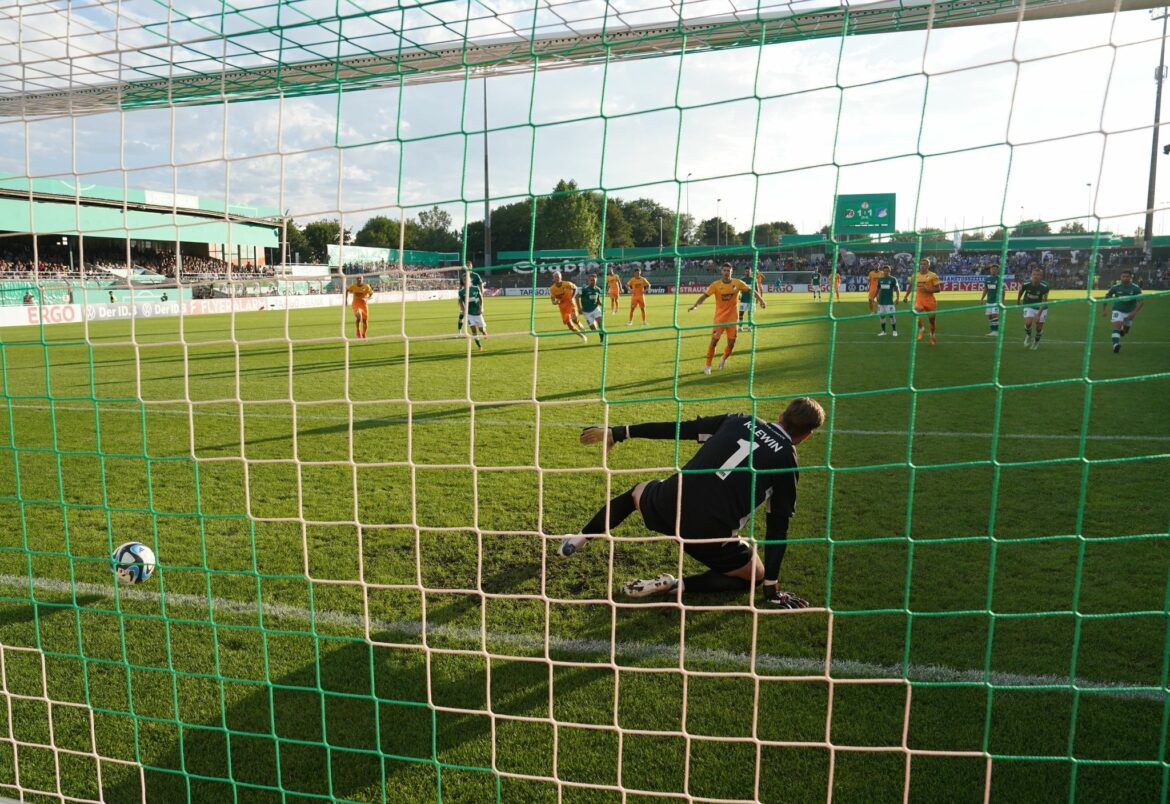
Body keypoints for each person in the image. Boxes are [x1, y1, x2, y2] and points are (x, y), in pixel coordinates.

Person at [558, 397, 825, 608]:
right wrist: (771, 587)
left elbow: (680, 429)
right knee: (754, 575)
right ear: (806, 436)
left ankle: (579, 539)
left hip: (666, 506)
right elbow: (778, 527)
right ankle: (677, 585)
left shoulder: (740, 420)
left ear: (781, 414)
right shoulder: (787, 462)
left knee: (635, 493)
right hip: (707, 536)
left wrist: (620, 432)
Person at [689, 263, 766, 374]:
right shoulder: (715, 285)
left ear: (731, 272)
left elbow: (752, 291)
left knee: (731, 344)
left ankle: (723, 358)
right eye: (724, 270)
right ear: (721, 271)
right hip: (719, 320)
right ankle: (708, 366)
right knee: (714, 341)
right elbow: (704, 296)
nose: (726, 272)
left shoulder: (738, 283)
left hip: (732, 320)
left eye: (728, 270)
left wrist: (762, 301)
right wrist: (695, 305)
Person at [1103, 269, 1143, 354]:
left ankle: (1122, 328)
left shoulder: (1136, 288)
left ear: (1131, 278)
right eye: (1123, 276)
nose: (1125, 278)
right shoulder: (1115, 287)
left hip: (1130, 311)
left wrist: (1134, 312)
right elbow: (1107, 297)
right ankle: (1115, 345)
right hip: (1118, 309)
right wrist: (1104, 309)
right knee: (1116, 326)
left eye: (1127, 277)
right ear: (1120, 277)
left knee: (1125, 331)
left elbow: (1141, 302)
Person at [904, 258, 939, 345]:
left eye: (925, 264)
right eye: (921, 264)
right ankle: (921, 329)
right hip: (919, 299)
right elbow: (911, 286)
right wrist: (906, 296)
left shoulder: (933, 275)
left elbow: (938, 289)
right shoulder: (914, 275)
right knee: (915, 312)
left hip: (930, 301)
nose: (923, 266)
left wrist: (928, 289)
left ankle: (932, 336)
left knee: (932, 321)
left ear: (928, 265)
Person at [1016, 265, 1049, 351]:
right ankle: (1028, 336)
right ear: (1031, 275)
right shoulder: (1026, 284)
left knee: (1038, 328)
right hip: (1028, 304)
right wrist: (1018, 300)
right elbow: (1021, 291)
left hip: (1041, 307)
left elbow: (1044, 301)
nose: (1036, 276)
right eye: (1034, 274)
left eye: (1038, 275)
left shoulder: (1045, 286)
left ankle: (1036, 342)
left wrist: (1038, 315)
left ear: (1041, 276)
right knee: (1028, 323)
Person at [549, 271, 588, 343]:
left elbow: (575, 288)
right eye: (555, 277)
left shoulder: (567, 284)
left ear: (561, 277)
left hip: (571, 304)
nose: (557, 278)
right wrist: (555, 302)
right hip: (563, 308)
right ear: (553, 278)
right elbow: (553, 301)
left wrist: (572, 297)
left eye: (558, 276)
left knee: (574, 319)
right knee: (570, 326)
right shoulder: (552, 289)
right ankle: (582, 336)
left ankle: (579, 324)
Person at [459, 270, 488, 352]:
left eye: (467, 279)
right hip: (469, 314)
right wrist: (464, 311)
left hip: (477, 312)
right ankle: (479, 346)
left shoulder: (475, 288)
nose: (465, 281)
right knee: (473, 330)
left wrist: (482, 307)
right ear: (463, 281)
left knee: (481, 329)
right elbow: (460, 302)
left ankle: (484, 332)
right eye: (464, 280)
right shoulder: (461, 292)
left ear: (470, 280)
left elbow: (481, 298)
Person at [456, 261, 484, 334]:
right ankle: (459, 331)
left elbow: (480, 284)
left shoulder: (476, 275)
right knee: (462, 315)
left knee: (477, 315)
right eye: (467, 266)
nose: (468, 267)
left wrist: (481, 293)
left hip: (474, 300)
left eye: (469, 265)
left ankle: (481, 330)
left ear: (472, 266)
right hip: (466, 299)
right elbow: (461, 286)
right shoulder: (463, 276)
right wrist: (459, 299)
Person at [578, 272, 605, 342]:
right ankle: (596, 328)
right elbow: (576, 297)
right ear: (589, 280)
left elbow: (598, 300)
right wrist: (579, 308)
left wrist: (601, 305)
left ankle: (602, 339)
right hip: (586, 311)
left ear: (596, 280)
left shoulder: (598, 289)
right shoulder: (584, 289)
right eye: (591, 280)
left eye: (594, 280)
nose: (593, 281)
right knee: (593, 328)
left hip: (595, 309)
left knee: (600, 322)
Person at [345, 274, 374, 339]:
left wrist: (367, 298)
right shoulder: (353, 286)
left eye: (360, 278)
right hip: (356, 304)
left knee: (365, 321)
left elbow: (371, 294)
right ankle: (358, 330)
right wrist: (345, 300)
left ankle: (364, 334)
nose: (359, 279)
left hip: (364, 305)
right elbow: (347, 290)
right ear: (356, 279)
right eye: (358, 278)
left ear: (362, 279)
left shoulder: (367, 286)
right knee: (359, 317)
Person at [874, 265, 900, 337]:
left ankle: (894, 331)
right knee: (882, 316)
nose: (886, 272)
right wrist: (873, 297)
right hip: (881, 302)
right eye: (885, 271)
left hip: (889, 302)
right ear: (883, 271)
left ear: (889, 271)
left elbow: (897, 289)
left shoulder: (893, 279)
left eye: (887, 271)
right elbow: (878, 289)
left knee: (891, 316)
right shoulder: (880, 279)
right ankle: (883, 331)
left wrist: (898, 298)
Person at [737, 265, 765, 331]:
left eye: (748, 271)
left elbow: (757, 289)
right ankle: (740, 327)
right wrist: (739, 295)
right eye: (746, 271)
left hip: (751, 300)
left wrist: (758, 299)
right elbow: (738, 289)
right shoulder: (742, 280)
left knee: (750, 314)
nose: (747, 272)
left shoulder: (753, 279)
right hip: (743, 299)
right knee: (741, 313)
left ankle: (749, 327)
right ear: (744, 272)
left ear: (751, 271)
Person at [978, 262, 1002, 336]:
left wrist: (1003, 301)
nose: (994, 270)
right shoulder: (987, 279)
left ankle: (996, 331)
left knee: (994, 315)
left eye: (995, 269)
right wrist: (982, 298)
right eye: (992, 269)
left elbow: (1003, 291)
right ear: (990, 270)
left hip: (996, 301)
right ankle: (993, 331)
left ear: (998, 271)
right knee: (989, 316)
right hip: (989, 301)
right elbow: (986, 289)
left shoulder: (999, 279)